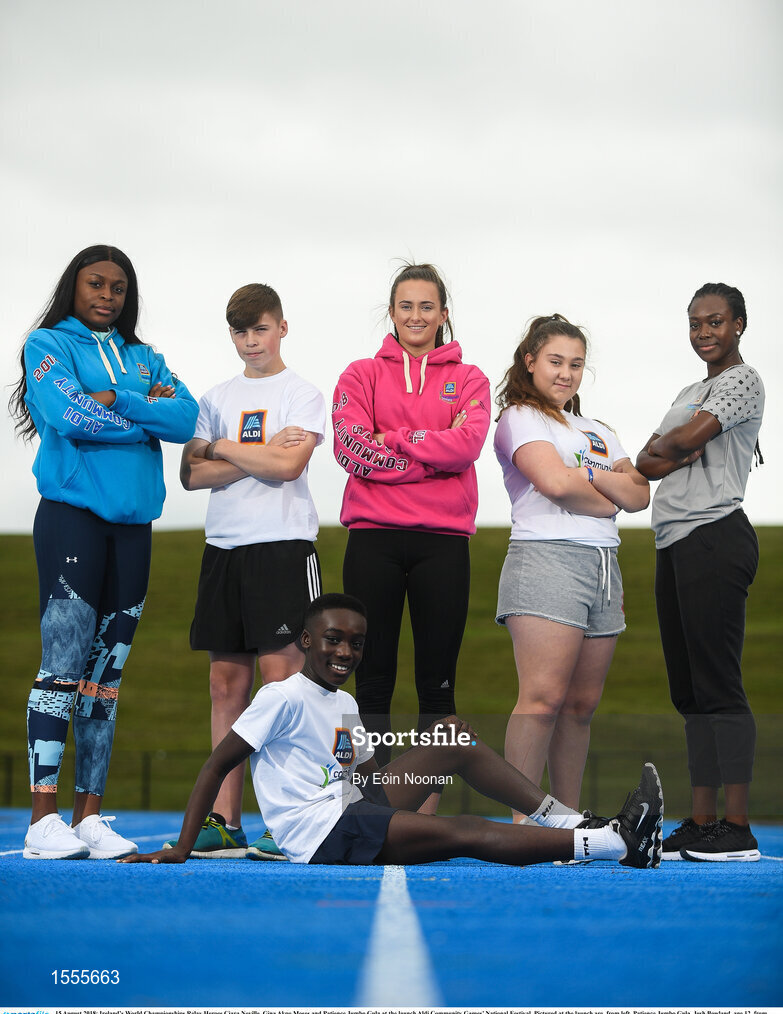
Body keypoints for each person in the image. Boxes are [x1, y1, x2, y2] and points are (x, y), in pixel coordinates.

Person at [121, 593, 663, 869]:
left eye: (355, 644)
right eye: (333, 639)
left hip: (349, 803)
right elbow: (218, 764)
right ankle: (611, 841)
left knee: (451, 734)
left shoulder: (346, 701)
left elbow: (364, 778)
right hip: (320, 833)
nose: (345, 652)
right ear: (307, 642)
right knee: (462, 831)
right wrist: (182, 848)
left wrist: (427, 759)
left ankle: (564, 818)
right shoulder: (279, 696)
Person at [9, 244, 198, 859]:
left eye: (118, 288)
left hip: (133, 527)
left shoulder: (146, 359)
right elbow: (68, 413)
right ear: (75, 286)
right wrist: (142, 421)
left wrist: (127, 406)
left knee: (105, 678)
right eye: (97, 284)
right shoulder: (48, 346)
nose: (107, 296)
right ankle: (43, 817)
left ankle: (89, 815)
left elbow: (187, 416)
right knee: (61, 665)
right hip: (71, 519)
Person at [177, 283, 326, 860]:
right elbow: (191, 476)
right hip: (224, 549)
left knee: (284, 685)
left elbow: (289, 467)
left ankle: (288, 818)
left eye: (260, 328)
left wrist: (223, 450)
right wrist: (244, 452)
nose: (250, 340)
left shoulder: (302, 394)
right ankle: (224, 820)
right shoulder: (214, 397)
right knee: (226, 685)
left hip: (283, 548)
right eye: (240, 331)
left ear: (282, 327)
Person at [332, 263, 490, 804]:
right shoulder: (359, 374)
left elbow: (466, 446)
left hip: (442, 544)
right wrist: (428, 459)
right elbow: (349, 446)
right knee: (370, 679)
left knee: (437, 684)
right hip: (372, 539)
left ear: (443, 314)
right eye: (406, 306)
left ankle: (423, 809)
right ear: (392, 312)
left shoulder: (469, 379)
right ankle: (371, 802)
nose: (416, 316)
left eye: (427, 306)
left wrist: (394, 441)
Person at [494, 314, 649, 818]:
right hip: (547, 558)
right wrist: (605, 485)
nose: (566, 373)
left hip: (604, 568)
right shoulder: (519, 417)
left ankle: (569, 821)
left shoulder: (597, 429)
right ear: (530, 361)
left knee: (580, 709)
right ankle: (523, 821)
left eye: (576, 364)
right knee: (541, 699)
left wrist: (584, 472)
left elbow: (639, 494)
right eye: (555, 361)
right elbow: (556, 485)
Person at [636, 283, 764, 862]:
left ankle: (736, 827)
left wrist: (673, 445)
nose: (704, 332)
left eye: (715, 321)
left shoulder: (742, 379)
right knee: (689, 692)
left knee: (718, 685)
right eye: (695, 323)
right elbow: (646, 459)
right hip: (675, 540)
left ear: (738, 324)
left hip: (715, 535)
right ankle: (704, 819)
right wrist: (668, 448)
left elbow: (682, 442)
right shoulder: (691, 389)